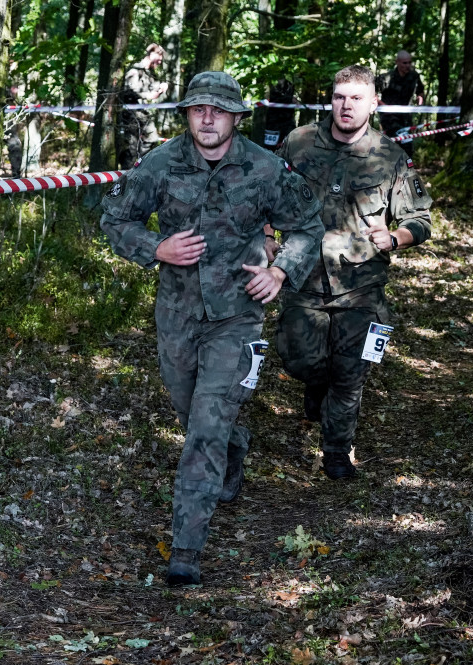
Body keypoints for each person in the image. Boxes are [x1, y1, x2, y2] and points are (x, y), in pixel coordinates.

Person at [100, 72, 324, 586]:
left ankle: (185, 550)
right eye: (198, 109)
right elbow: (115, 219)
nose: (207, 119)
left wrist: (280, 271)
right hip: (177, 315)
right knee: (191, 413)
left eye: (218, 110)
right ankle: (235, 447)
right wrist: (156, 247)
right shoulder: (160, 164)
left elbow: (307, 226)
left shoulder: (265, 168)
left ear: (236, 118)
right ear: (186, 114)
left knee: (205, 426)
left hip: (237, 317)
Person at [274, 64, 432, 480]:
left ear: (374, 103)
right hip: (303, 277)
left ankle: (337, 452)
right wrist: (266, 237)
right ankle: (316, 383)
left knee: (351, 373)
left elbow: (421, 219)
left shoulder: (391, 157)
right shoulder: (298, 142)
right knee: (300, 360)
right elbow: (265, 194)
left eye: (356, 98)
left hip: (362, 286)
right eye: (340, 97)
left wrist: (396, 237)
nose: (346, 106)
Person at [117, 44, 169, 170]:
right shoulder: (135, 70)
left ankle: (142, 168)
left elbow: (152, 89)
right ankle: (125, 175)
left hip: (143, 115)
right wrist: (148, 95)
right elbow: (129, 91)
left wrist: (161, 87)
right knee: (131, 149)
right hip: (130, 115)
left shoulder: (150, 73)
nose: (160, 62)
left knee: (151, 139)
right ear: (151, 54)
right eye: (159, 58)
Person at [376, 51, 425, 156]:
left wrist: (420, 98)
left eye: (409, 62)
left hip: (406, 117)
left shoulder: (414, 76)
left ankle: (405, 165)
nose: (408, 65)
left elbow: (420, 91)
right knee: (401, 143)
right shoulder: (387, 77)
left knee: (406, 146)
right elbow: (370, 93)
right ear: (397, 62)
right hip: (389, 117)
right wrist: (381, 104)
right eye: (404, 63)